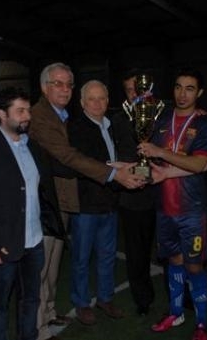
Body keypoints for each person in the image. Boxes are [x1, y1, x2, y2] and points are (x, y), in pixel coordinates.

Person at [29, 62, 143, 340]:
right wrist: (113, 172)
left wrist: (127, 168)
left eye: (68, 84)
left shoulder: (101, 122)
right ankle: (49, 320)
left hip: (101, 201)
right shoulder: (62, 122)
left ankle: (85, 303)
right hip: (69, 202)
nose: (97, 103)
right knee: (63, 262)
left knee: (84, 258)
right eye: (58, 83)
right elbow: (70, 159)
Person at [0, 87, 66, 340]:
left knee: (30, 300)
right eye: (20, 111)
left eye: (28, 110)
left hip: (34, 241)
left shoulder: (33, 146)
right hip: (1, 245)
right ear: (2, 114)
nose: (27, 116)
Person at [137, 69, 207, 340]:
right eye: (179, 87)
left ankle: (202, 323)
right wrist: (128, 173)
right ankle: (176, 312)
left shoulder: (204, 123)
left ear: (199, 92)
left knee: (194, 266)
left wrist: (160, 151)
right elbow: (151, 165)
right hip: (165, 208)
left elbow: (199, 164)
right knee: (174, 262)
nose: (183, 94)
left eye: (190, 88)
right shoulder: (160, 120)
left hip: (191, 210)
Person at [68, 80, 124, 325]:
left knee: (107, 255)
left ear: (108, 101)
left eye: (102, 98)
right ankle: (81, 303)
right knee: (81, 257)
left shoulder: (112, 126)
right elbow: (82, 163)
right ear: (82, 103)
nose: (97, 103)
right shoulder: (75, 128)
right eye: (91, 99)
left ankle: (105, 298)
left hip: (110, 202)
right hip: (86, 205)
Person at [111, 70, 156, 316]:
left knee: (172, 251)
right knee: (136, 252)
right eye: (129, 90)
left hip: (164, 193)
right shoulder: (118, 120)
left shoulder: (161, 114)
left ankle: (182, 296)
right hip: (132, 196)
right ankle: (143, 298)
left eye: (138, 89)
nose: (134, 94)